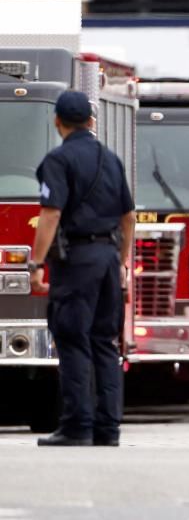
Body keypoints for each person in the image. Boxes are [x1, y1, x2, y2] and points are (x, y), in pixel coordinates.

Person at [30, 91, 135, 446]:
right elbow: (129, 217)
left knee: (73, 340)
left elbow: (51, 214)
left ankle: (77, 426)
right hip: (108, 258)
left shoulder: (58, 161)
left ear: (57, 122)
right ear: (92, 121)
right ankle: (108, 428)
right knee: (105, 342)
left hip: (76, 261)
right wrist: (121, 260)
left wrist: (36, 263)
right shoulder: (112, 160)